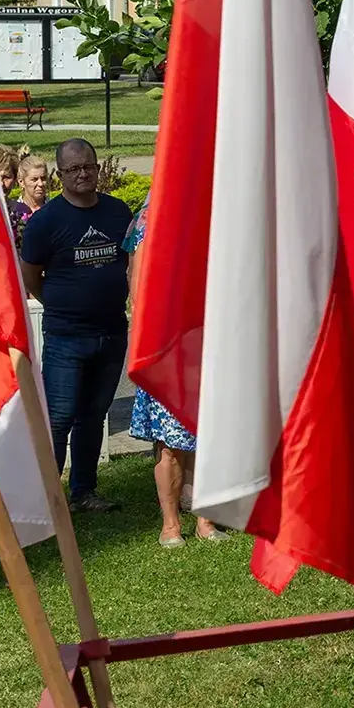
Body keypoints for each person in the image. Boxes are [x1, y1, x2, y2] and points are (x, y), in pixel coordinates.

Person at [21, 139, 133, 512]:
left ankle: (83, 492)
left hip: (112, 332)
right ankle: (47, 499)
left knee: (92, 416)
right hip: (66, 337)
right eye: (73, 169)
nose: (83, 174)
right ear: (60, 175)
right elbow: (31, 277)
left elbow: (132, 261)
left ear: (97, 168)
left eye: (88, 166)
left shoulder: (118, 213)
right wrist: (61, 304)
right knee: (59, 418)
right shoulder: (46, 222)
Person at [123, 206, 230, 546]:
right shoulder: (148, 222)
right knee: (171, 442)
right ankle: (170, 525)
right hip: (167, 349)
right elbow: (138, 294)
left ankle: (206, 521)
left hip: (209, 344)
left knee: (209, 435)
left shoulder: (214, 218)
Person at [11, 154, 52, 243]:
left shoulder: (55, 210)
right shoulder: (13, 214)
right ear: (21, 182)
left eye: (43, 178)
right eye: (34, 179)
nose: (40, 184)